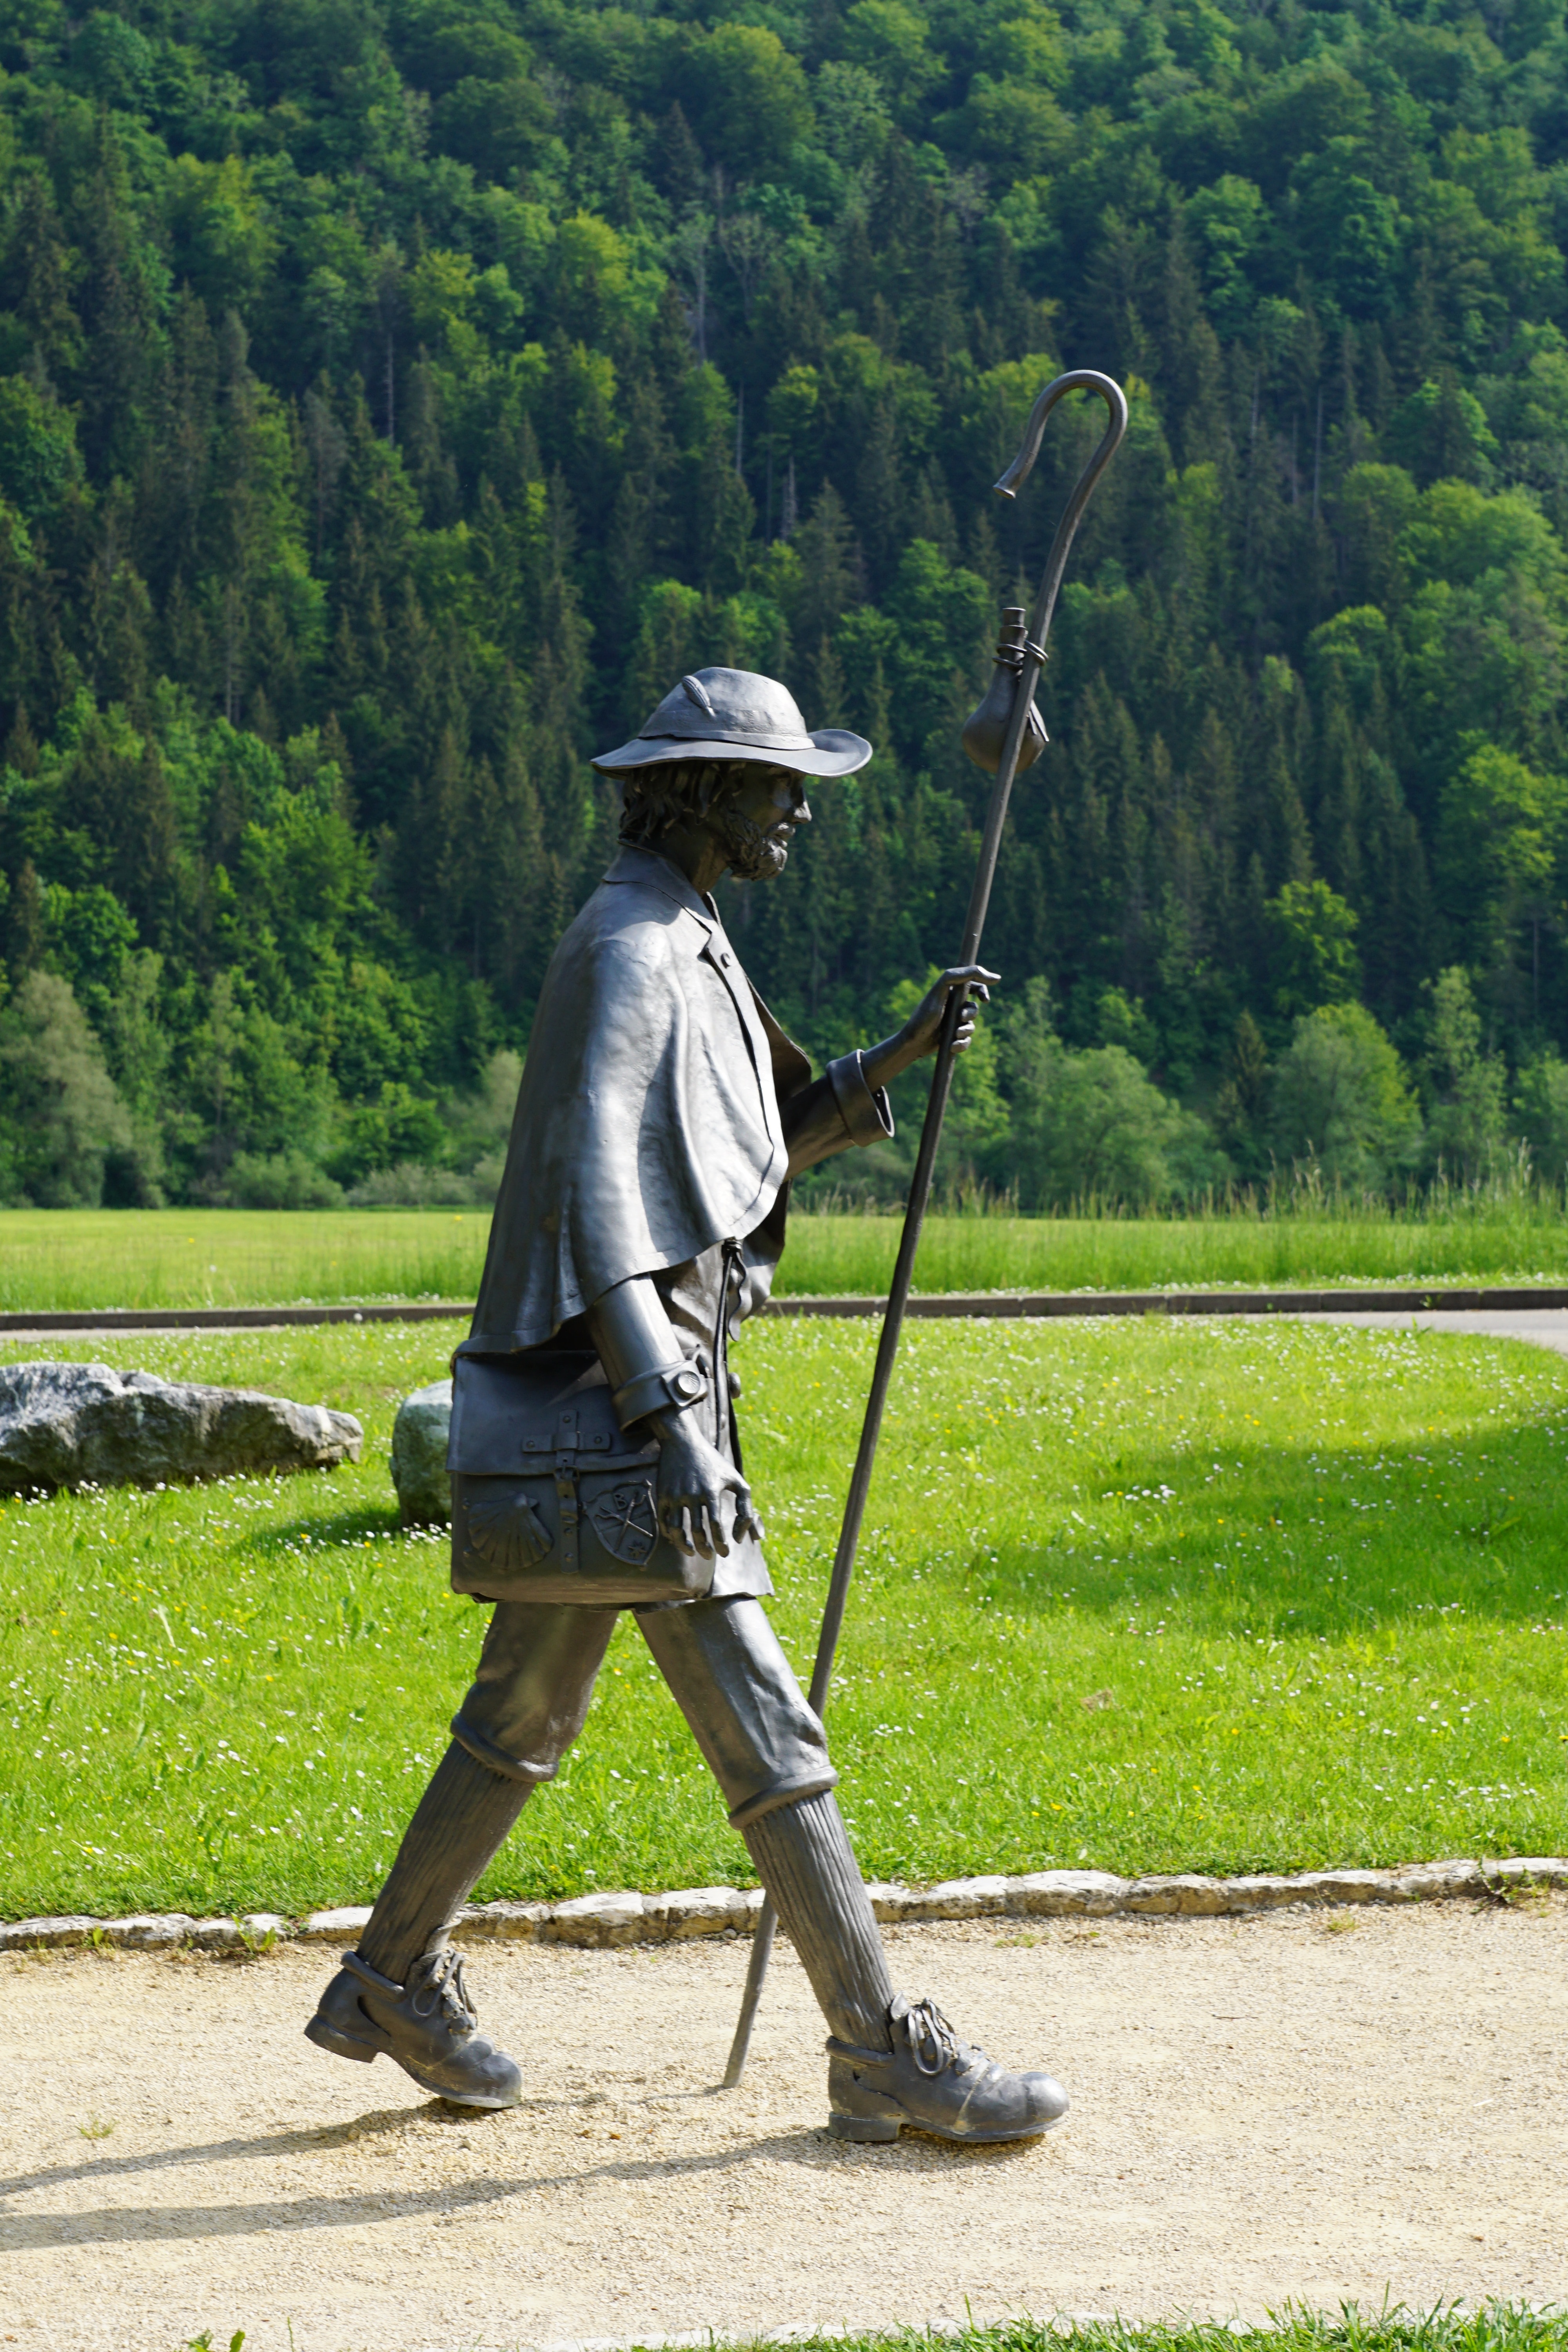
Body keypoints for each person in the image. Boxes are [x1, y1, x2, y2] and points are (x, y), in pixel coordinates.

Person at [305, 667, 1069, 2145]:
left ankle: (389, 1981)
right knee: (769, 1731)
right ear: (706, 788)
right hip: (632, 1410)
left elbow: (732, 1158)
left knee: (521, 1715)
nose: (798, 812)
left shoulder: (684, 935)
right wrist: (667, 1423)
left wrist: (893, 1062)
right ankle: (881, 2051)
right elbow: (597, 1193)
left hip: (633, 1406)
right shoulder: (629, 948)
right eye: (780, 785)